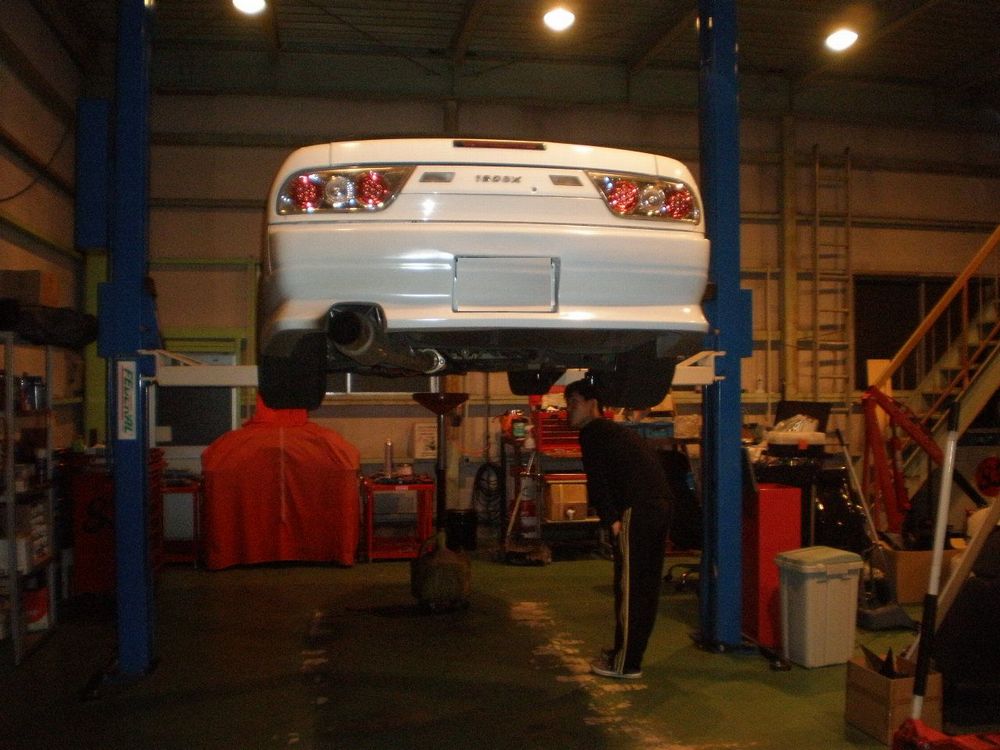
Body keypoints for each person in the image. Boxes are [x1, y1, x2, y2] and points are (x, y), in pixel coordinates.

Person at [564, 378, 672, 679]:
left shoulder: (593, 432)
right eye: (567, 404)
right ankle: (628, 655)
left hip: (637, 510)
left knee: (629, 588)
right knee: (644, 587)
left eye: (574, 403)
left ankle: (625, 663)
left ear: (592, 404)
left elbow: (597, 482)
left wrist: (611, 521)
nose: (568, 410)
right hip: (658, 506)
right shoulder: (614, 432)